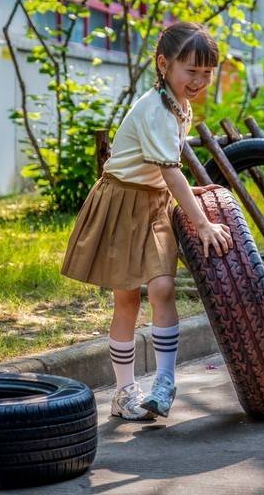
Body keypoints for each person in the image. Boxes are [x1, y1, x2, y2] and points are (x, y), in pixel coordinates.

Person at [61, 22, 232, 420]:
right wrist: (203, 223)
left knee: (164, 287)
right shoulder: (154, 108)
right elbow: (172, 170)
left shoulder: (178, 105)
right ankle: (123, 393)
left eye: (207, 73)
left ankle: (165, 381)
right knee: (126, 298)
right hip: (121, 200)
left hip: (155, 204)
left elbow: (167, 178)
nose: (199, 80)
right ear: (163, 64)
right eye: (191, 71)